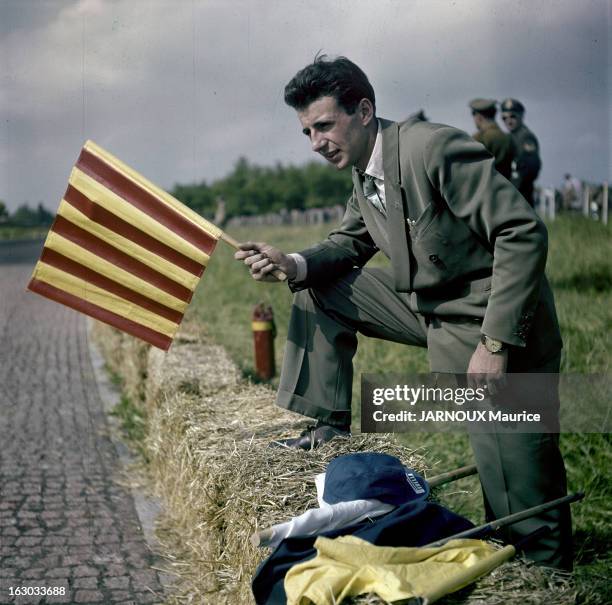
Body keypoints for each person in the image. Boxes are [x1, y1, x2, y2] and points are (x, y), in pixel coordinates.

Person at [235, 55, 571, 570]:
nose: (316, 142)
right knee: (315, 285)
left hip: (492, 320)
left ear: (364, 110)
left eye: (324, 125)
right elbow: (347, 243)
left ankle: (546, 577)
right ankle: (324, 429)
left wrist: (496, 344)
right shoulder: (364, 169)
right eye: (306, 132)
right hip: (429, 309)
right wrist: (292, 262)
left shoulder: (431, 148)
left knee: (516, 494)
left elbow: (522, 233)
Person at [501, 98, 542, 206]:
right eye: (504, 118)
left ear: (521, 116)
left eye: (513, 116)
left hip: (521, 194)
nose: (508, 121)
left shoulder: (525, 137)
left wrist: (513, 187)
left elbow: (531, 167)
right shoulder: (510, 137)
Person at [469, 98, 515, 180]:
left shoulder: (480, 138)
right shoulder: (507, 137)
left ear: (479, 117)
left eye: (473, 114)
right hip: (505, 187)